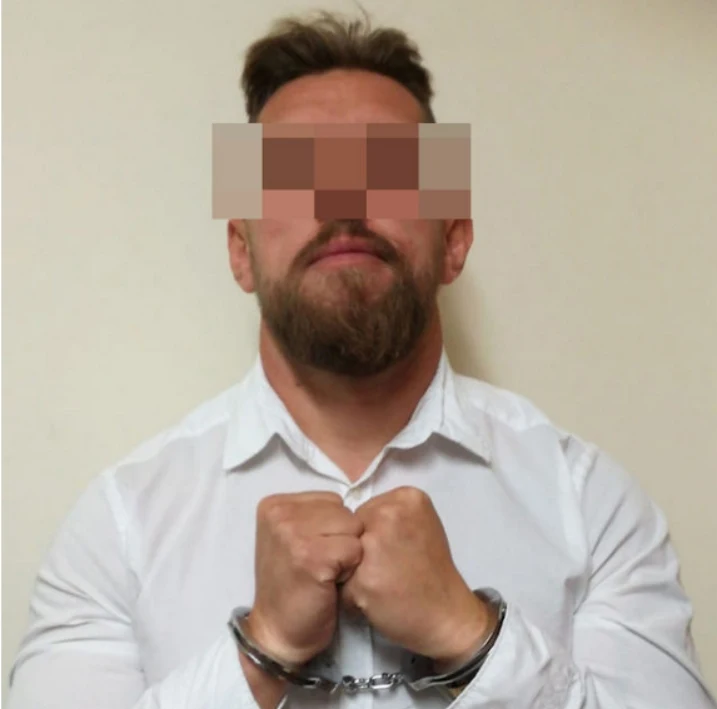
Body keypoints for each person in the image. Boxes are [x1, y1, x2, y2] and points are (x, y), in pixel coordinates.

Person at [7, 10, 716, 709]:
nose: (343, 200)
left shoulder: (590, 506)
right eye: (294, 172)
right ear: (239, 250)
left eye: (390, 168)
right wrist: (260, 652)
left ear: (455, 236)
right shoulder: (120, 527)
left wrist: (472, 637)